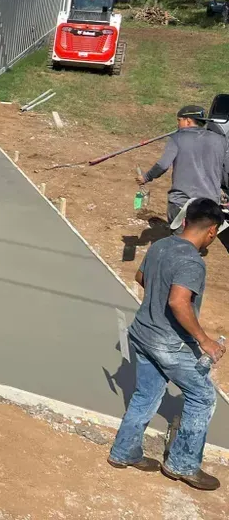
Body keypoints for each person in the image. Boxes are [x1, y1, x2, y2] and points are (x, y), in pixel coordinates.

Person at [108, 198, 225, 491]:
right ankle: (182, 464)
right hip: (168, 344)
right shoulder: (192, 262)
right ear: (211, 232)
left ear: (184, 222)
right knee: (202, 397)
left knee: (146, 394)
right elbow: (178, 301)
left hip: (143, 333)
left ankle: (124, 452)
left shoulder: (160, 245)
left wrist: (158, 295)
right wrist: (205, 341)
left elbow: (140, 276)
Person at [136, 105, 227, 225]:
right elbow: (226, 169)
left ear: (188, 121)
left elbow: (162, 165)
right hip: (209, 205)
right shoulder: (220, 140)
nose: (177, 125)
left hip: (182, 203)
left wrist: (146, 177)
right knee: (200, 241)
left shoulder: (177, 138)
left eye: (179, 121)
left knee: (179, 241)